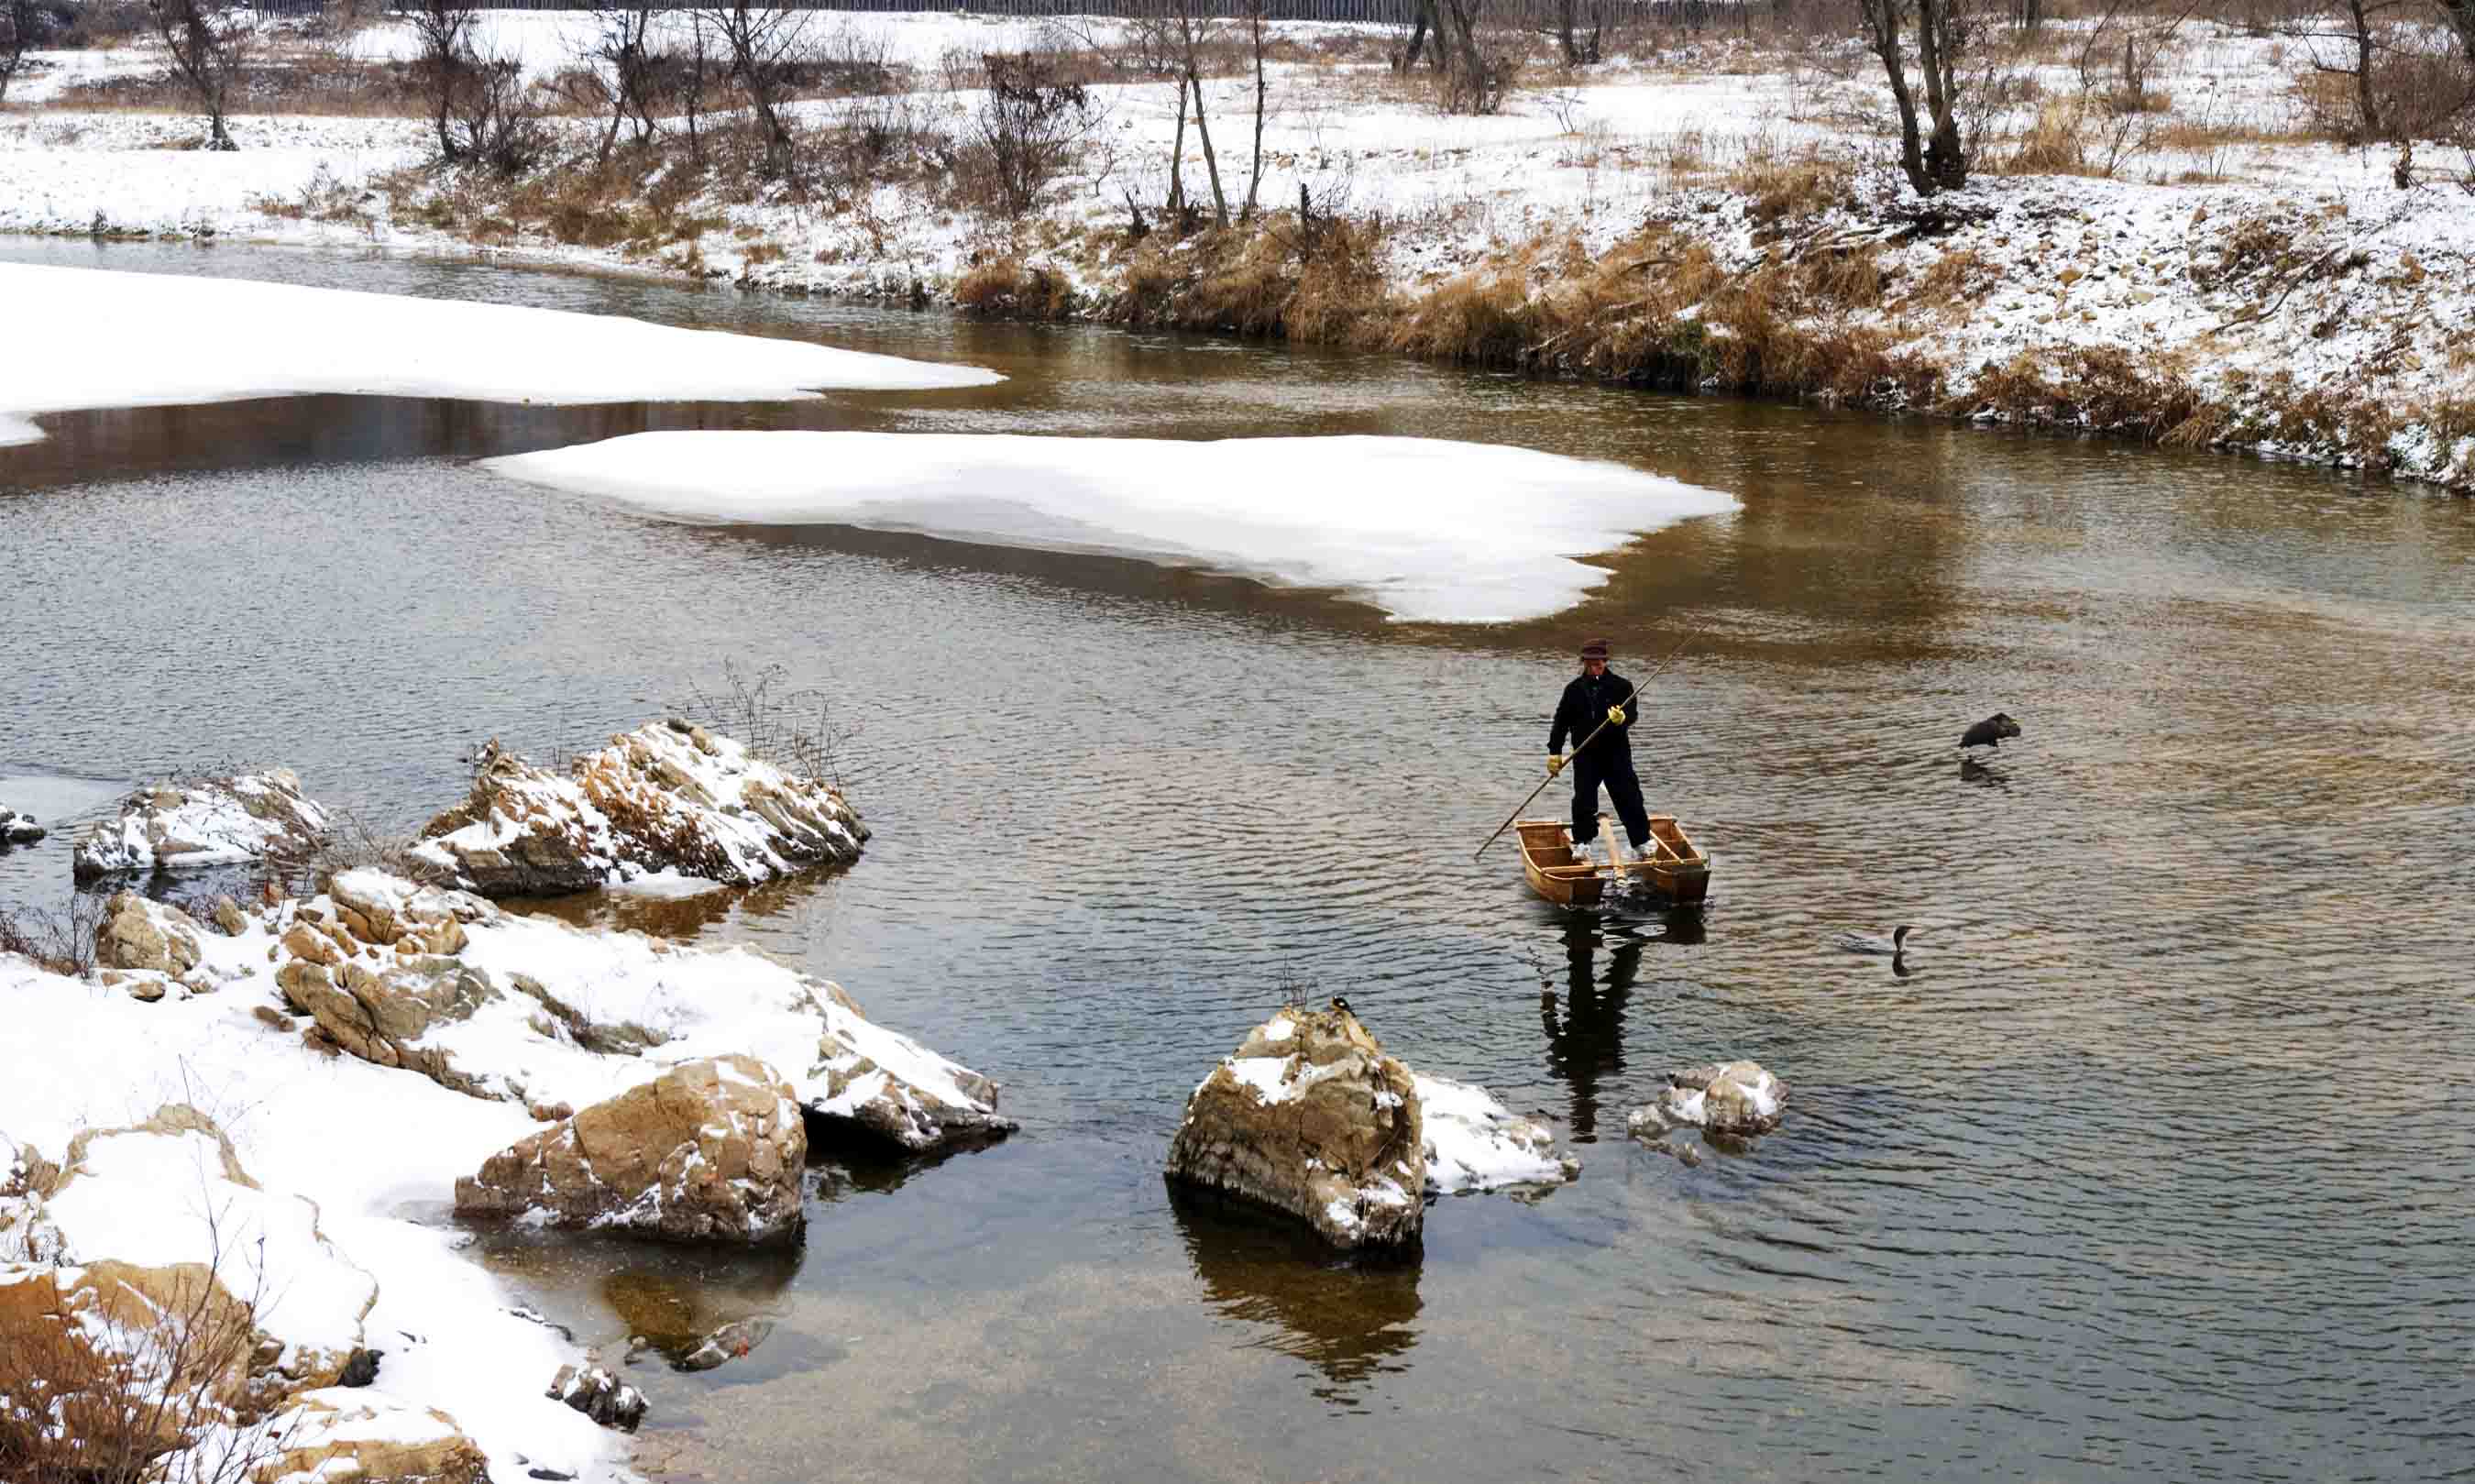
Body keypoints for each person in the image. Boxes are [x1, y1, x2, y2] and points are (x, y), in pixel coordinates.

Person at [1546, 637, 1651, 861]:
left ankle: (1641, 842)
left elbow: (1632, 714)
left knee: (1629, 796)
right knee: (1584, 800)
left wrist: (1622, 719)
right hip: (1585, 755)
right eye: (1592, 662)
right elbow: (1561, 721)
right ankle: (1582, 842)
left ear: (1606, 660)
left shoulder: (1623, 686)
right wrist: (1554, 752)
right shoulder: (1573, 689)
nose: (1597, 665)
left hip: (1616, 753)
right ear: (1584, 662)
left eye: (1600, 661)